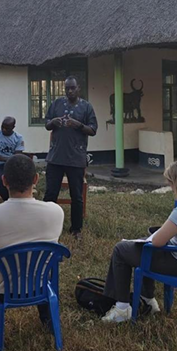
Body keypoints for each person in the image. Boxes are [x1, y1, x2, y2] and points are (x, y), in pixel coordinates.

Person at [100, 161, 177, 323]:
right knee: (140, 246)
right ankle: (148, 300)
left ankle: (122, 308)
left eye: (170, 184)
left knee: (121, 249)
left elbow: (157, 242)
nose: (170, 188)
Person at [0, 154, 64, 331]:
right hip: (38, 286)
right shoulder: (55, 212)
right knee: (37, 261)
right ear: (36, 179)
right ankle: (48, 321)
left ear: (4, 181)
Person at [43, 76, 98, 240]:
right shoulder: (57, 104)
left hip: (76, 158)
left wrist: (78, 125)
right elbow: (47, 124)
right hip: (55, 157)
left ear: (78, 88)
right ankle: (46, 226)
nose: (69, 91)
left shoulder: (86, 107)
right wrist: (53, 122)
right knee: (50, 194)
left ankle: (76, 229)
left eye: (72, 88)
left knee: (77, 196)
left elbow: (93, 130)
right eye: (67, 88)